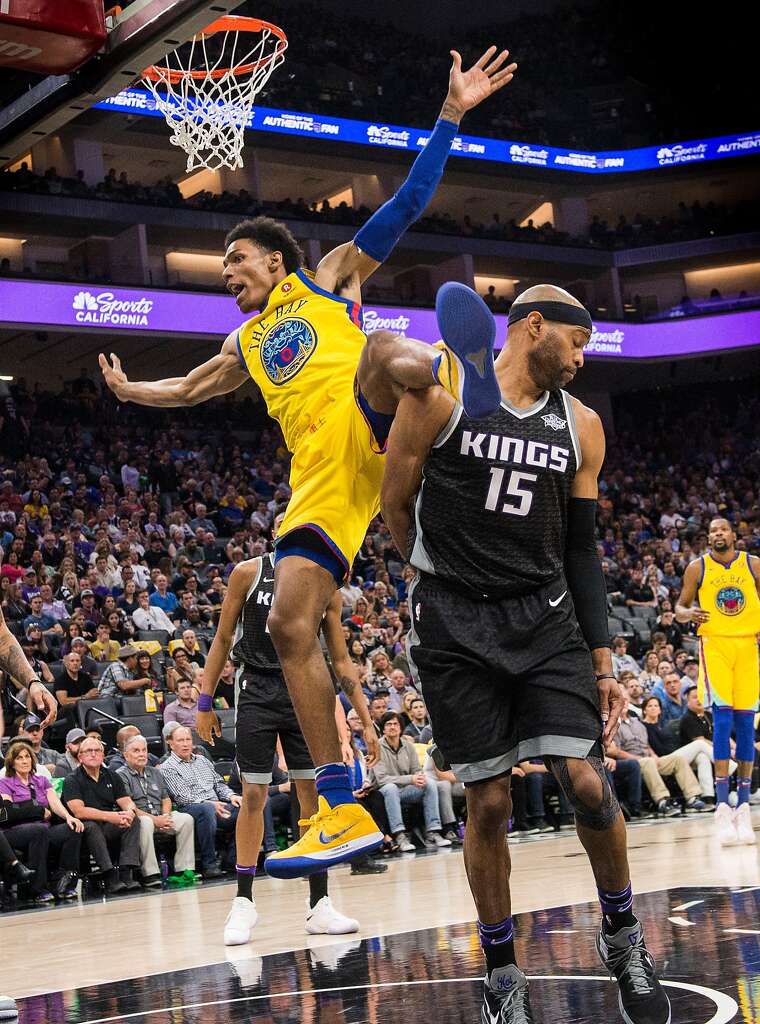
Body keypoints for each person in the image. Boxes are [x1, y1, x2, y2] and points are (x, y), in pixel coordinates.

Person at [99, 48, 515, 874]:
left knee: (379, 350)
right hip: (322, 479)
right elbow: (187, 387)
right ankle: (342, 808)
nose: (228, 277)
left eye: (236, 264)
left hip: (366, 415)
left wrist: (451, 115)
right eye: (223, 271)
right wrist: (127, 392)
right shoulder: (244, 344)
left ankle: (459, 380)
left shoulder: (324, 280)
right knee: (289, 623)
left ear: (273, 261)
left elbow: (404, 205)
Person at [381, 283, 669, 1024]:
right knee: (490, 801)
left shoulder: (583, 427)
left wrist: (604, 663)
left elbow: (582, 548)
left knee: (587, 780)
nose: (581, 358)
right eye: (575, 342)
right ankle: (503, 973)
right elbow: (394, 497)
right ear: (531, 326)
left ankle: (623, 932)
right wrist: (427, 570)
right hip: (452, 621)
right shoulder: (440, 392)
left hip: (543, 618)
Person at [195, 540, 378, 945]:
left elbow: (341, 660)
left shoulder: (325, 586)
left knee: (311, 794)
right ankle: (243, 901)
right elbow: (223, 638)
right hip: (256, 687)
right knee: (254, 793)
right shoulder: (248, 572)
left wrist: (365, 719)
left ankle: (319, 903)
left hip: (304, 692)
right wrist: (205, 702)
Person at [676, 517, 760, 845]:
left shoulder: (753, 563)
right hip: (715, 646)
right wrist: (689, 614)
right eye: (712, 532)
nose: (717, 535)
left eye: (722, 530)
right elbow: (680, 607)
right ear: (708, 539)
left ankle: (744, 807)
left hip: (748, 646)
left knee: (747, 725)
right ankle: (721, 805)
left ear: (733, 535)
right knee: (722, 722)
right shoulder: (697, 567)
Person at [0, 739, 84, 902]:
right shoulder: (5, 783)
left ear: (32, 759)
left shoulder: (41, 781)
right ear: (12, 762)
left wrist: (69, 817)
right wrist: (36, 811)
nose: (24, 761)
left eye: (27, 757)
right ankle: (38, 888)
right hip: (14, 832)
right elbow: (9, 813)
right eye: (19, 758)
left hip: (42, 829)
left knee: (73, 828)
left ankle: (64, 880)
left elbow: (54, 803)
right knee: (39, 831)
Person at [159, 725, 241, 879]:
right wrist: (211, 804)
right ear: (170, 743)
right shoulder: (167, 767)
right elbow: (183, 797)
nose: (185, 744)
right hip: (190, 808)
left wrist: (232, 796)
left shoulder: (202, 760)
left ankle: (232, 858)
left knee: (247, 809)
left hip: (217, 806)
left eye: (188, 739)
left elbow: (219, 784)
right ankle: (209, 864)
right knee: (206, 809)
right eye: (180, 740)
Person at [62, 736, 142, 894]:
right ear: (80, 756)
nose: (93, 754)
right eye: (88, 751)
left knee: (134, 821)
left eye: (97, 750)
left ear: (103, 754)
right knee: (91, 826)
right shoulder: (72, 779)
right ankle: (109, 875)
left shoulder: (112, 775)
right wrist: (111, 816)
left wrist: (130, 813)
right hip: (84, 830)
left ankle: (126, 872)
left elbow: (126, 801)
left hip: (108, 826)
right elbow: (79, 811)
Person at [115, 734, 197, 888]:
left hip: (160, 815)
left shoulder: (155, 772)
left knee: (186, 819)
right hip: (140, 817)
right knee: (144, 822)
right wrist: (155, 820)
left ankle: (184, 869)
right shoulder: (120, 775)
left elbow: (165, 799)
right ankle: (150, 873)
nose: (141, 754)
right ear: (126, 755)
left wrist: (165, 816)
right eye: (136, 750)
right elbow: (130, 807)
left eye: (144, 750)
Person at [372, 711, 451, 852]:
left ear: (401, 727)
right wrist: (411, 779)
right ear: (383, 729)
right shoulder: (376, 747)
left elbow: (416, 770)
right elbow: (382, 779)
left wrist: (419, 778)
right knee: (391, 788)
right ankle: (399, 835)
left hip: (405, 790)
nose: (392, 727)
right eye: (388, 724)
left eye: (395, 724)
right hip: (383, 791)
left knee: (429, 783)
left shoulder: (409, 746)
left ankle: (433, 832)